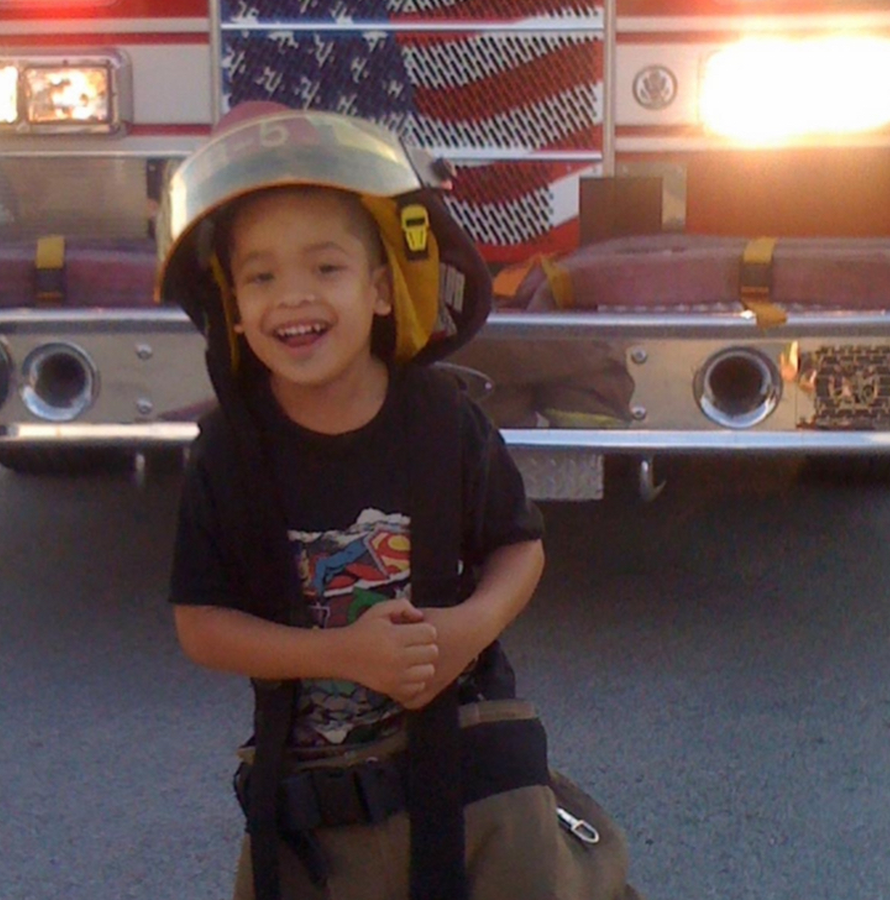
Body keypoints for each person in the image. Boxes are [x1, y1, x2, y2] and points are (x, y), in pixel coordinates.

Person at [158, 103, 631, 900]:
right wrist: (341, 655)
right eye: (261, 276)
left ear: (381, 289)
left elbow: (519, 545)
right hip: (313, 795)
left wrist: (466, 628)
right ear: (232, 306)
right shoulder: (228, 456)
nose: (292, 297)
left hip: (474, 773)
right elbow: (201, 624)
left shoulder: (444, 421)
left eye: (325, 269)